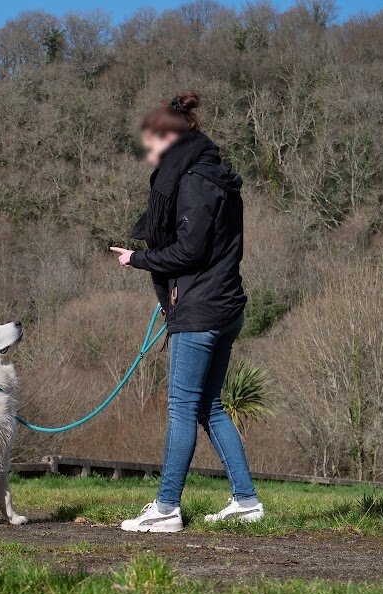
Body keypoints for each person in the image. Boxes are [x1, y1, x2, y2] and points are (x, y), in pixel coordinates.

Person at [110, 92, 264, 533]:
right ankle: (246, 501)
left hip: (203, 310)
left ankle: (166, 508)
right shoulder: (217, 176)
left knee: (181, 408)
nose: (149, 157)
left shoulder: (194, 181)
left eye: (152, 146)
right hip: (224, 304)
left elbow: (190, 250)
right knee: (208, 406)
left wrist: (138, 259)